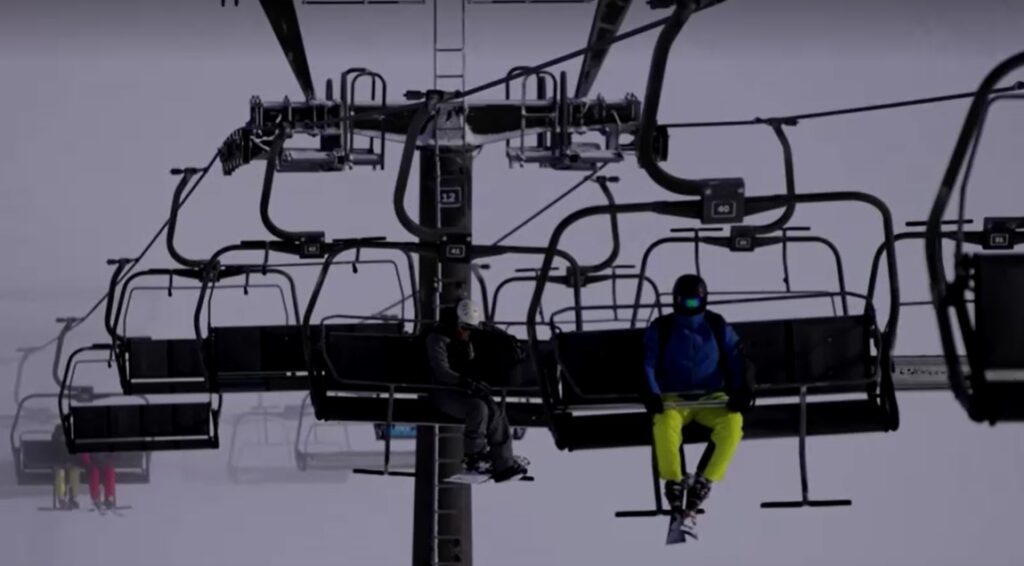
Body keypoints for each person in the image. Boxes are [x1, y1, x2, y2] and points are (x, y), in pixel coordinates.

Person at [643, 274, 754, 526]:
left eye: (694, 303)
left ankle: (704, 481)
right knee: (664, 424)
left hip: (711, 397)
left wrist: (741, 391)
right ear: (676, 301)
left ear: (704, 301)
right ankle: (675, 480)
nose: (689, 308)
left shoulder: (715, 324)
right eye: (685, 302)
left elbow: (736, 358)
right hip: (674, 398)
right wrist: (651, 392)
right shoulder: (663, 327)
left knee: (732, 424)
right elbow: (647, 362)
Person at [426, 298, 528, 482]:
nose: (467, 333)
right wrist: (464, 381)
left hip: (465, 389)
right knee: (478, 409)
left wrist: (509, 341)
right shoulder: (438, 337)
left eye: (471, 329)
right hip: (444, 392)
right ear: (456, 322)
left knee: (494, 409)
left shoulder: (470, 331)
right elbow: (441, 370)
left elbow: (489, 329)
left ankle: (504, 464)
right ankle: (474, 458)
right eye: (465, 328)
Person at [51, 425, 80, 510]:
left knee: (75, 472)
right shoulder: (56, 439)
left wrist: (71, 462)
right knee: (60, 473)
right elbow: (53, 453)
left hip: (70, 464)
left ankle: (73, 498)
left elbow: (75, 454)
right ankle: (61, 499)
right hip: (59, 464)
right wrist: (61, 463)